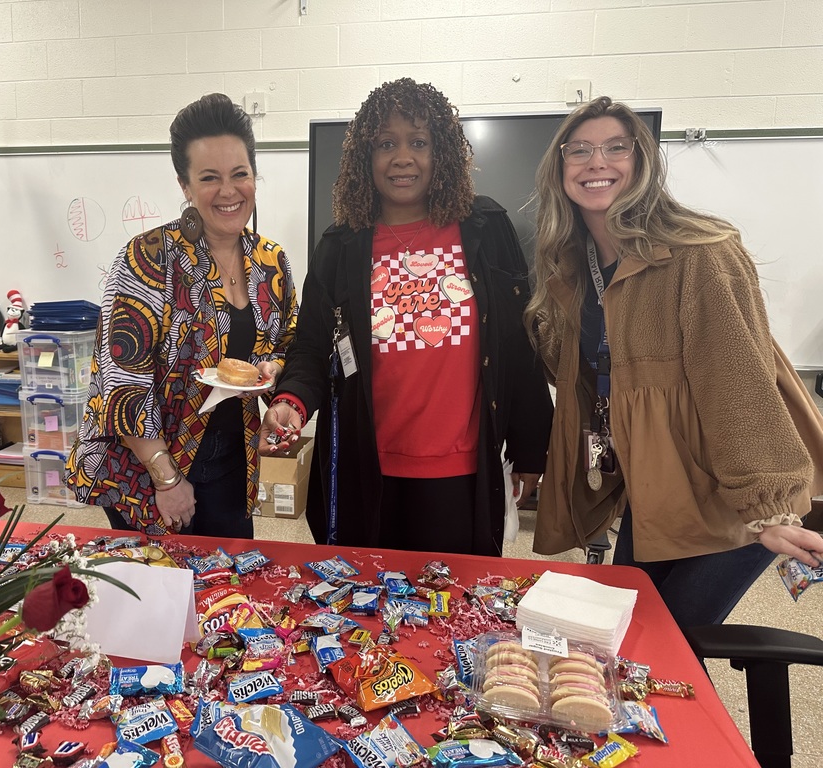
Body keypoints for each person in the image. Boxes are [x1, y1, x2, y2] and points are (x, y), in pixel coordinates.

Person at [526, 96, 823, 626]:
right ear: (559, 169)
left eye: (617, 147)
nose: (598, 162)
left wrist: (767, 506)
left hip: (727, 498)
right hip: (655, 488)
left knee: (671, 644)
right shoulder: (575, 267)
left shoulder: (699, 254)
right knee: (636, 640)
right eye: (580, 150)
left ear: (642, 162)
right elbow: (583, 380)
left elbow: (740, 385)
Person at [258, 78, 553, 556]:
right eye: (386, 144)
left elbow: (518, 344)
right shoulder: (342, 245)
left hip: (462, 473)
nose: (402, 157)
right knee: (366, 611)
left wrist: (531, 444)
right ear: (364, 159)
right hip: (366, 470)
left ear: (442, 154)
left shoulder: (485, 228)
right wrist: (291, 400)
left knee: (454, 610)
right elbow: (312, 346)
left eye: (419, 142)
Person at [67, 93, 298, 537]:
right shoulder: (147, 259)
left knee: (226, 588)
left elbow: (288, 340)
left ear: (254, 175)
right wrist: (166, 478)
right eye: (210, 177)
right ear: (186, 186)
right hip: (145, 466)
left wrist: (275, 371)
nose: (228, 191)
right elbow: (122, 382)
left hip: (232, 463)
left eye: (240, 174)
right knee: (157, 591)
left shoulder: (272, 261)